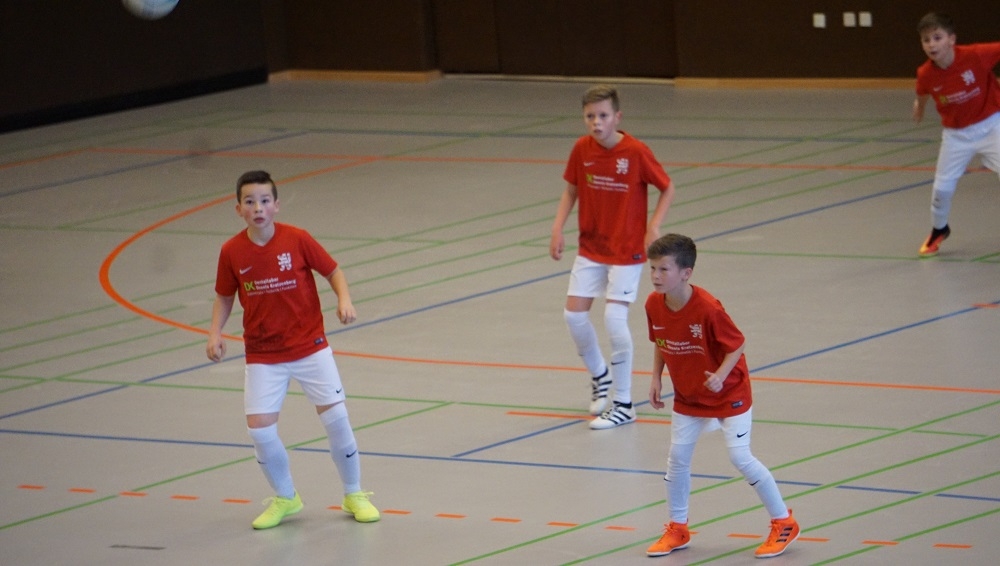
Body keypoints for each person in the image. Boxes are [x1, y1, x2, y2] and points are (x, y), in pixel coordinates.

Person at [206, 170, 379, 529]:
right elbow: (224, 296)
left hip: (310, 348)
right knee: (260, 431)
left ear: (276, 205)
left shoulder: (297, 239)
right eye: (250, 202)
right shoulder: (231, 251)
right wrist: (215, 333)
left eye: (264, 201)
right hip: (263, 355)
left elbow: (333, 271)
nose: (258, 208)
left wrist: (344, 299)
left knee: (336, 419)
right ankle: (286, 497)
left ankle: (354, 493)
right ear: (238, 209)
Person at [643, 234, 799, 559]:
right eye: (653, 268)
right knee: (677, 459)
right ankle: (678, 528)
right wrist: (656, 377)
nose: (656, 276)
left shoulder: (708, 308)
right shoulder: (653, 304)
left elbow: (737, 344)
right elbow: (661, 341)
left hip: (730, 393)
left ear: (686, 273)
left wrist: (720, 375)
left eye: (664, 269)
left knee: (740, 457)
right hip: (689, 395)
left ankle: (784, 522)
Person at [549, 84, 676, 430]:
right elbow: (571, 190)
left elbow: (667, 186)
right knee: (574, 316)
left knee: (614, 320)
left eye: (603, 115)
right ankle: (600, 374)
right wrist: (558, 228)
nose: (596, 122)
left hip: (627, 251)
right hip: (592, 247)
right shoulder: (582, 149)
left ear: (617, 117)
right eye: (590, 116)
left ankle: (623, 404)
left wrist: (654, 225)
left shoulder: (635, 152)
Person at [912, 12, 1000, 257]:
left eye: (937, 38)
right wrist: (919, 106)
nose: (931, 45)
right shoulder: (925, 73)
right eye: (926, 40)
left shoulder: (976, 55)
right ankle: (939, 229)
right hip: (956, 136)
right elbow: (922, 92)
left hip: (992, 127)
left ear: (951, 39)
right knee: (942, 189)